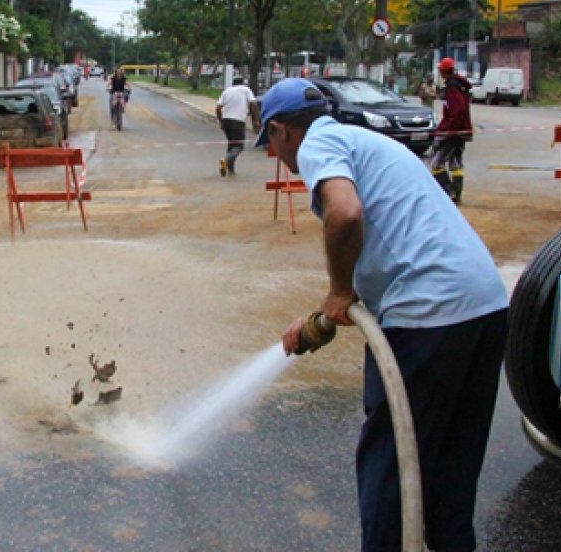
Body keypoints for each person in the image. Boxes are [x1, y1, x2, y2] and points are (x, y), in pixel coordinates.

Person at [254, 77, 508, 552]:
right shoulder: (363, 139)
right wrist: (327, 311)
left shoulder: (318, 143)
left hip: (427, 316)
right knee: (451, 467)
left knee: (391, 466)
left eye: (270, 140)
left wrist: (339, 290)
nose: (276, 153)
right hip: (485, 308)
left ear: (281, 129)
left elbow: (345, 214)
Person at [429, 58, 473, 203]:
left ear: (443, 71)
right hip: (461, 131)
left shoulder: (453, 87)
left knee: (436, 163)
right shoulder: (459, 85)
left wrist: (449, 130)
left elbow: (457, 110)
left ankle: (448, 192)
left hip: (453, 132)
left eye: (440, 70)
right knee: (456, 163)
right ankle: (456, 195)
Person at [214, 76, 260, 177]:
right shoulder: (246, 90)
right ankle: (225, 161)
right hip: (237, 121)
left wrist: (220, 121)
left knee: (231, 146)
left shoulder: (227, 91)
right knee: (239, 146)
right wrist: (256, 120)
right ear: (243, 83)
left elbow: (217, 108)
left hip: (226, 121)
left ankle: (231, 170)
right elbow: (254, 104)